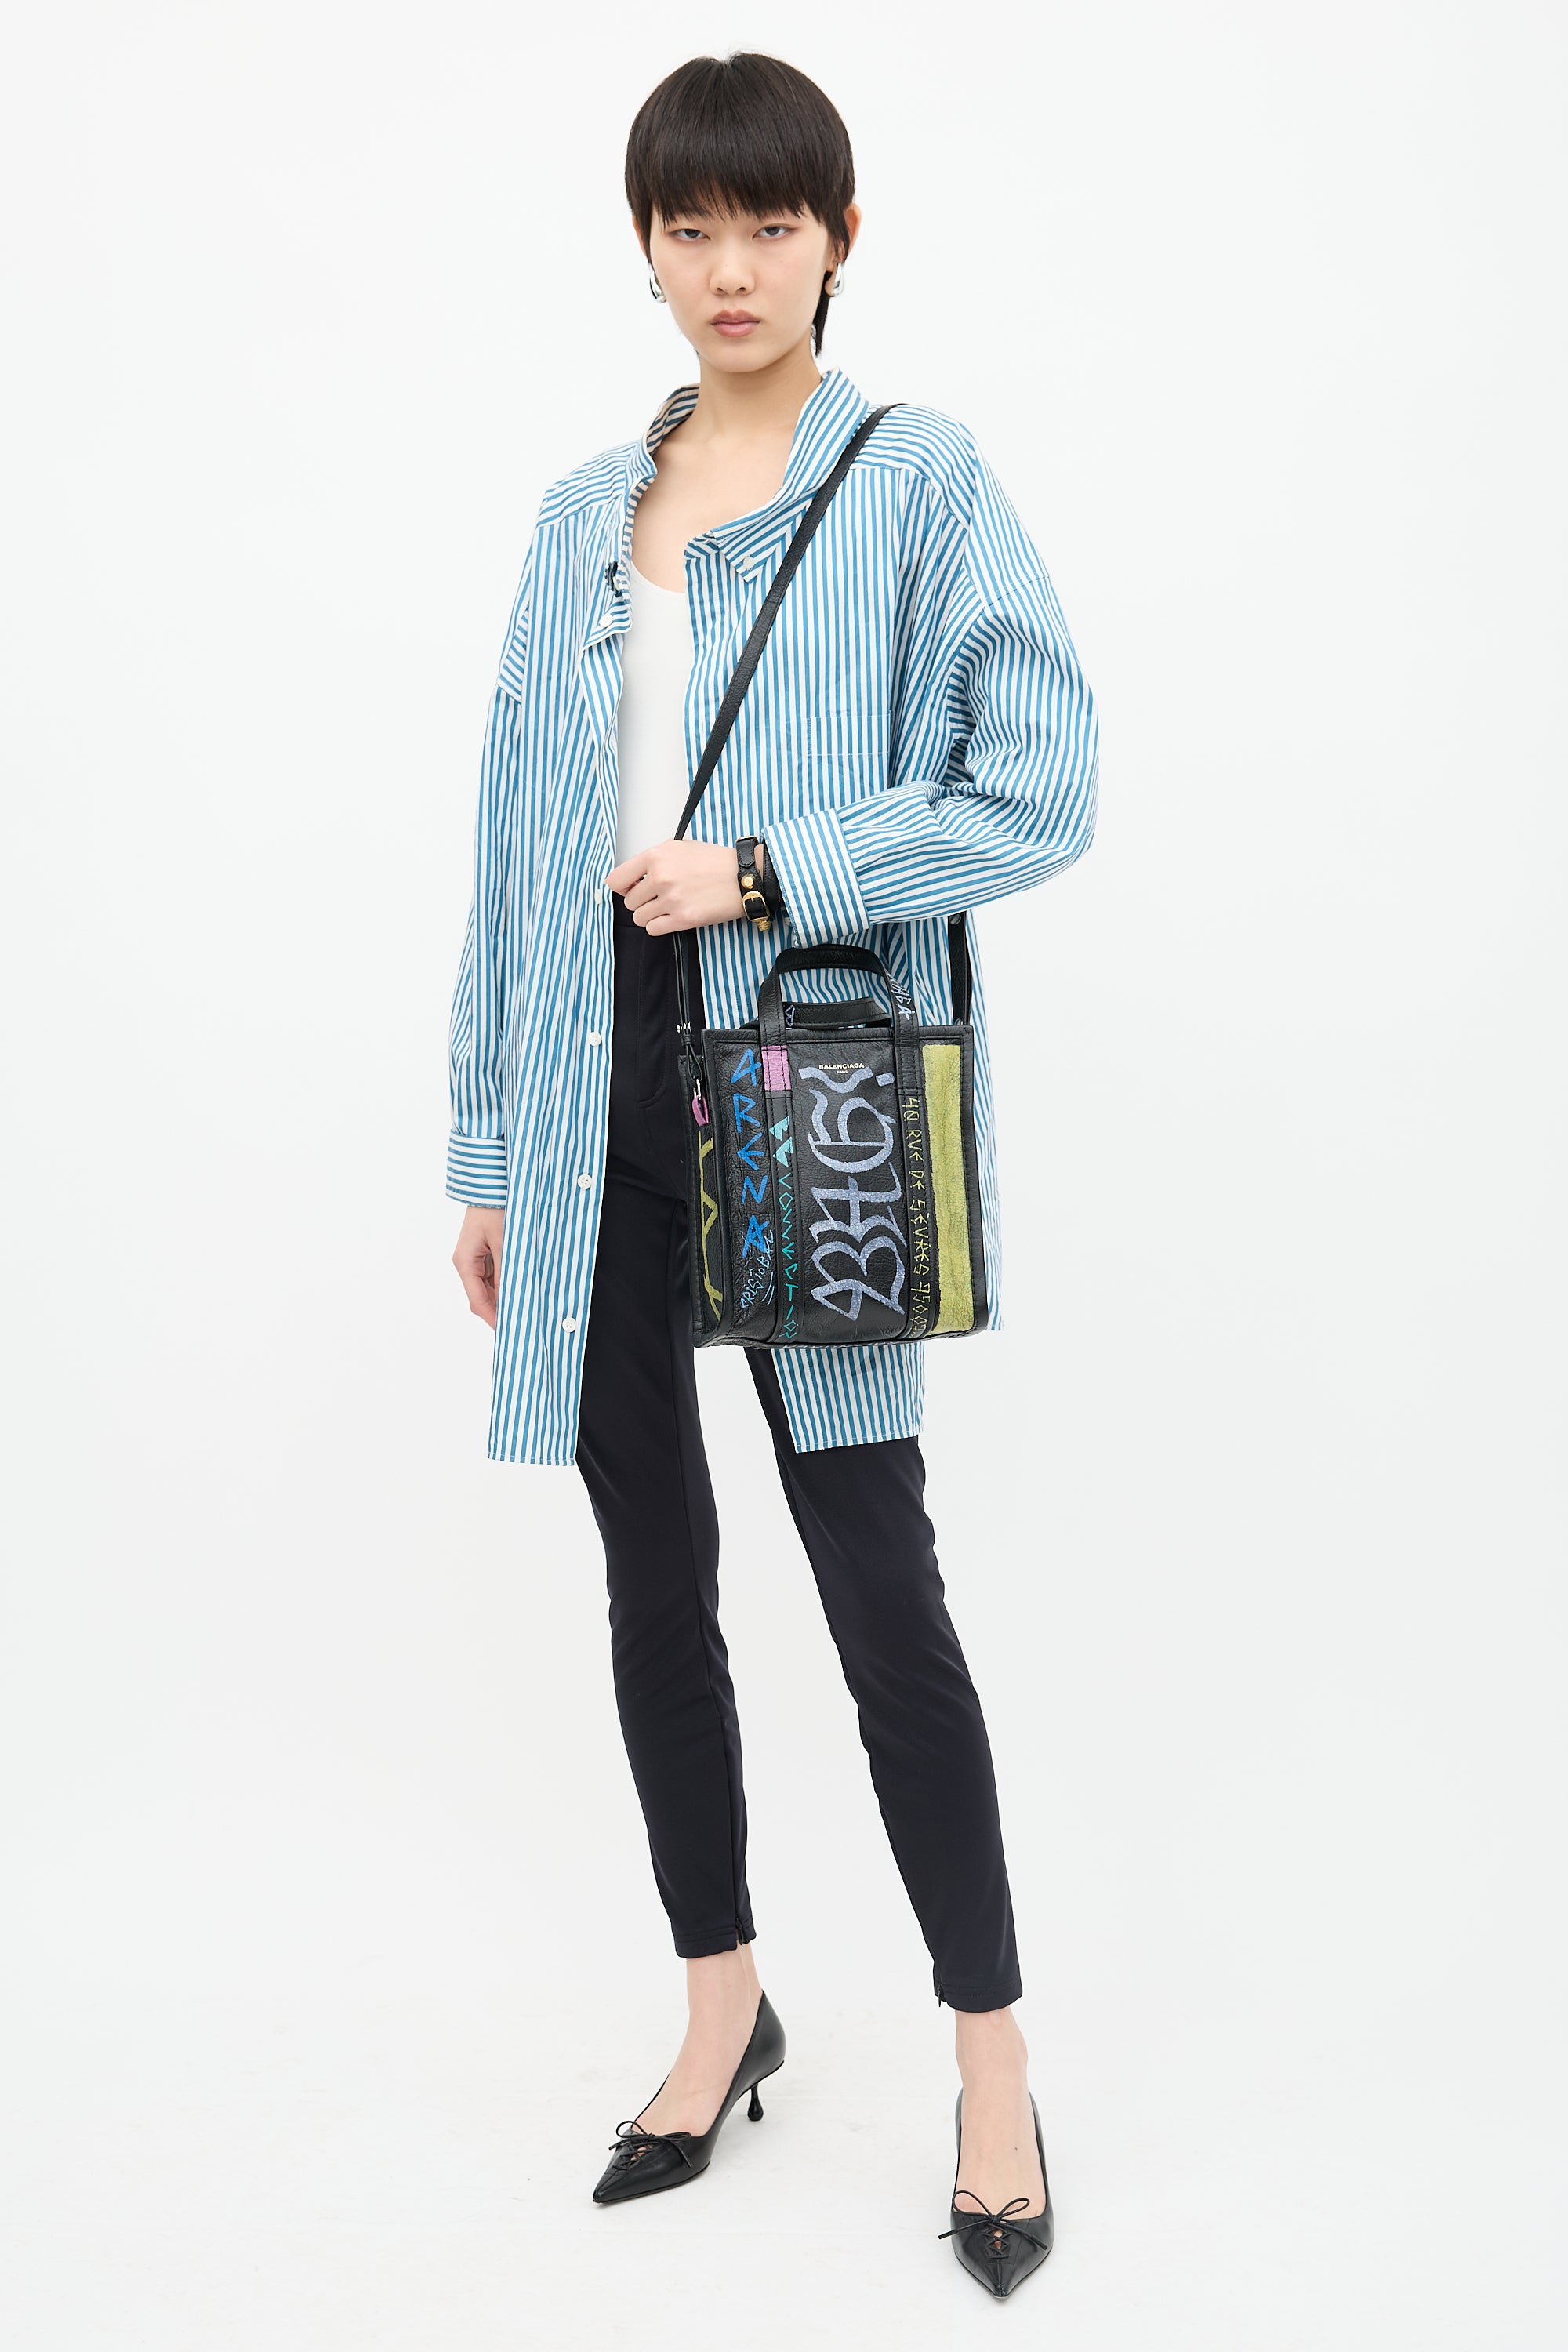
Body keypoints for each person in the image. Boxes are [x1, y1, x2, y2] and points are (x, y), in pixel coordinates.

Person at [445, 51, 1097, 2298]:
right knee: (656, 1579)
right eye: (691, 227)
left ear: (839, 237)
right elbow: (514, 849)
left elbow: (1042, 786)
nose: (731, 268)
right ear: (644, 246)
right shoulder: (574, 520)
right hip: (595, 1094)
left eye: (772, 224)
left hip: (805, 1082)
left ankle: (993, 2064)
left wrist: (774, 863)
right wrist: (490, 1148)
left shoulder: (916, 485)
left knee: (876, 1590)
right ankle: (723, 2004)